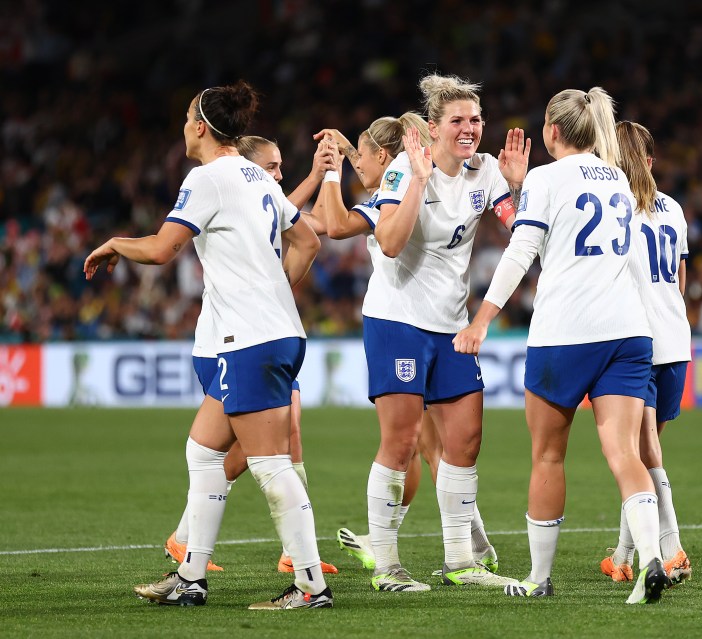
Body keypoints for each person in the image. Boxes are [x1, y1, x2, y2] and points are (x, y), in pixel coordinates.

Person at [84, 81, 331, 610]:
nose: (182, 125)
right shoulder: (257, 177)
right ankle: (191, 576)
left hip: (251, 338)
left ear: (199, 125)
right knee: (202, 452)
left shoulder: (208, 178)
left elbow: (160, 249)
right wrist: (274, 289)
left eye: (185, 116)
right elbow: (307, 239)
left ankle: (311, 587)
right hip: (265, 331)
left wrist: (114, 244)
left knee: (269, 464)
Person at [454, 87, 670, 604]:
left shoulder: (547, 179)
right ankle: (651, 558)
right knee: (624, 452)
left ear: (551, 131)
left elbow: (524, 248)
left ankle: (539, 579)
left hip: (566, 333)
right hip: (627, 331)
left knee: (548, 456)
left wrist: (482, 319)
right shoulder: (617, 177)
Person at [354, 74, 529, 592]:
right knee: (403, 441)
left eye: (476, 120)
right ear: (433, 128)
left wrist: (516, 187)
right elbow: (388, 242)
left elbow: (519, 230)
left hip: (452, 325)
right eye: (458, 121)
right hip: (398, 320)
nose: (470, 129)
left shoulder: (489, 171)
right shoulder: (406, 169)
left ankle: (460, 560)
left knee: (466, 440)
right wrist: (417, 180)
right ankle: (386, 566)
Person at [306, 115, 500, 574]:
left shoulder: (395, 188)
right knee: (426, 445)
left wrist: (331, 169)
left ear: (382, 155)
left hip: (426, 321)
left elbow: (332, 223)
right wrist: (345, 155)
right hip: (410, 321)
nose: (357, 167)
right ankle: (471, 545)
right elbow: (331, 209)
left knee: (427, 445)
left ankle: (454, 546)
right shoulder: (395, 182)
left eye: (361, 154)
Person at [162, 134, 337, 577]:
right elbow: (286, 213)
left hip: (259, 334)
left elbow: (281, 207)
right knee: (258, 452)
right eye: (272, 166)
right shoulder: (241, 192)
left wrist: (317, 176)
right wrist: (319, 177)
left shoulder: (256, 194)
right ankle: (292, 564)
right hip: (234, 338)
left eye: (281, 167)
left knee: (266, 440)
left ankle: (200, 556)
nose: (278, 175)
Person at [599, 122, 692, 588]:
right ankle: (621, 555)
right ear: (652, 161)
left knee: (644, 452)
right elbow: (679, 281)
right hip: (677, 338)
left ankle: (672, 550)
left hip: (638, 340)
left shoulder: (616, 213)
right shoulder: (674, 209)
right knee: (639, 453)